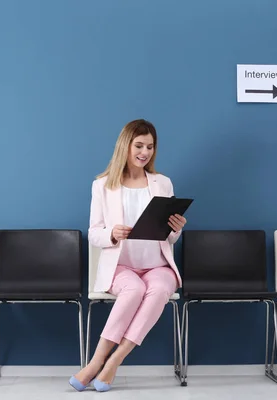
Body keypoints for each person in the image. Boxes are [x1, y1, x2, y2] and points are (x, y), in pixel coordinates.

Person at [69, 119, 187, 392]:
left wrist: (175, 230)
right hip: (121, 267)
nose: (144, 152)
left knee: (157, 291)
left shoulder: (163, 183)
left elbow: (167, 238)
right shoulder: (102, 185)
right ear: (126, 145)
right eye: (139, 145)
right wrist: (112, 232)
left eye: (150, 147)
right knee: (133, 290)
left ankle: (114, 362)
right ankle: (95, 362)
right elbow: (94, 233)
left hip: (158, 266)